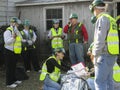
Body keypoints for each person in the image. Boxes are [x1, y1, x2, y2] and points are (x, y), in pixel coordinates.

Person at [89, 0, 118, 90]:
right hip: (112, 55)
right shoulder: (111, 19)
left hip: (104, 55)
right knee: (109, 82)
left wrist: (94, 54)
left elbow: (100, 40)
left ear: (96, 9)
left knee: (100, 82)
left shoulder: (102, 18)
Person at [4, 17, 22, 88]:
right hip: (8, 51)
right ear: (13, 23)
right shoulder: (8, 31)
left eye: (18, 24)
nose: (18, 25)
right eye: (17, 24)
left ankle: (14, 79)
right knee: (9, 67)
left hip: (14, 51)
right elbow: (7, 42)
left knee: (14, 66)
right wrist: (13, 38)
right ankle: (9, 83)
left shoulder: (16, 30)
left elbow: (20, 38)